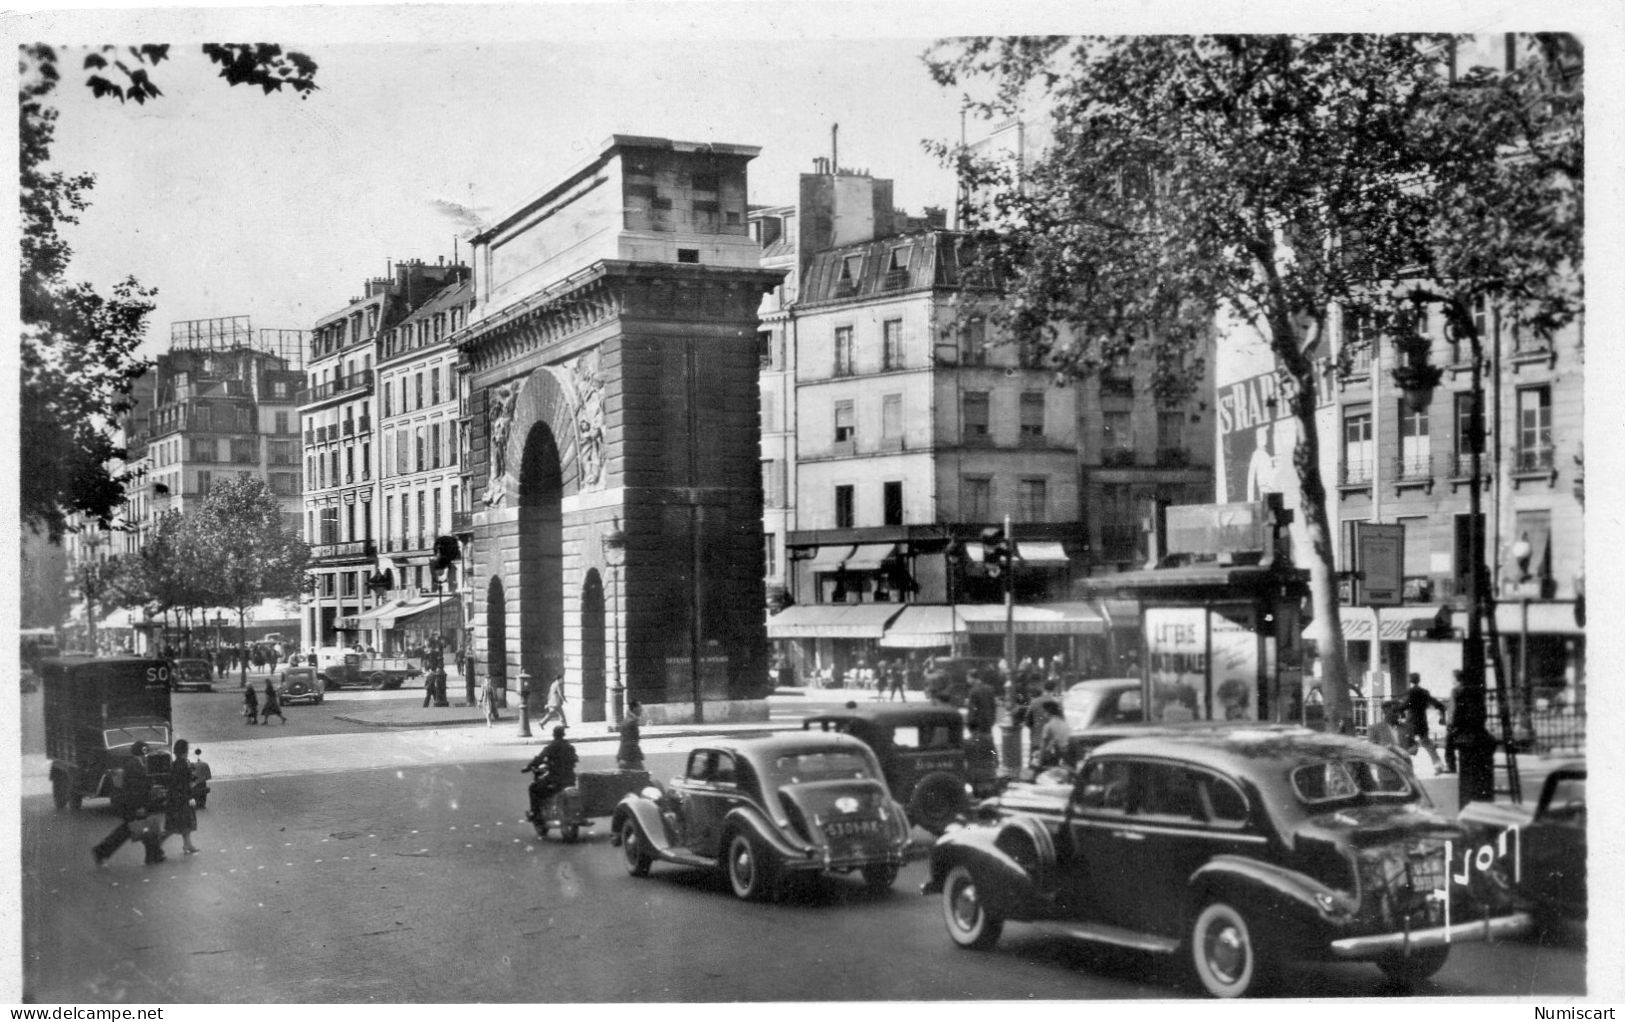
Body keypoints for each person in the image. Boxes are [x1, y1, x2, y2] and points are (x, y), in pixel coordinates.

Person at [92, 742, 166, 866]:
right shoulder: (134, 766)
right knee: (130, 830)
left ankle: (154, 855)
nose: (146, 755)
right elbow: (135, 789)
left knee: (140, 828)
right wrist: (139, 806)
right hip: (133, 805)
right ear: (140, 753)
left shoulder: (136, 764)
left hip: (133, 804)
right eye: (145, 752)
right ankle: (101, 851)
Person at [523, 726, 579, 822]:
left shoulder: (550, 747)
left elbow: (538, 759)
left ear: (554, 735)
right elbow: (575, 759)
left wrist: (528, 767)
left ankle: (535, 813)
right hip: (570, 778)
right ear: (563, 734)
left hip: (555, 778)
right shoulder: (570, 747)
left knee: (533, 788)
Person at [160, 738, 200, 855]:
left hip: (174, 798)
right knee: (175, 826)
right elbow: (185, 784)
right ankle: (157, 844)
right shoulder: (183, 764)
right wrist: (190, 797)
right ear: (184, 751)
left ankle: (187, 845)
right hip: (181, 799)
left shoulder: (176, 763)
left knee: (184, 823)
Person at [1402, 673, 1447, 772]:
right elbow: (1437, 703)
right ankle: (1438, 765)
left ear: (1410, 680)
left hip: (1411, 722)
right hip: (1422, 721)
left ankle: (1405, 767)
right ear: (1419, 680)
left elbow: (1405, 705)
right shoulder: (1424, 692)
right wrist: (1442, 710)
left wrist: (1398, 709)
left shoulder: (1410, 692)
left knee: (1406, 743)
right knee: (1427, 744)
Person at [1034, 699, 1074, 770]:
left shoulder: (1048, 726)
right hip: (1070, 753)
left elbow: (1043, 746)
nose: (1043, 714)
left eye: (1044, 712)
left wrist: (1039, 764)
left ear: (1047, 712)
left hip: (1063, 755)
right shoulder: (1063, 722)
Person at [1444, 671, 1465, 774]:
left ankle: (1451, 766)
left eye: (1452, 678)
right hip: (1466, 722)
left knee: (1449, 743)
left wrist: (1450, 723)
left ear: (1456, 678)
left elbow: (1453, 709)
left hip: (1456, 723)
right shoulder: (1467, 690)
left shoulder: (1455, 691)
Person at [965, 671, 998, 737]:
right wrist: (992, 720)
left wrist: (969, 724)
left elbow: (972, 710)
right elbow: (993, 706)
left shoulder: (973, 691)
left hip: (977, 724)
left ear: (973, 678)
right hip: (988, 722)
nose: (967, 680)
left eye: (968, 678)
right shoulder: (989, 689)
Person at [617, 700, 645, 771]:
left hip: (626, 757)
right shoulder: (631, 722)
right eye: (640, 707)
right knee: (642, 777)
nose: (642, 709)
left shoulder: (629, 720)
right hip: (630, 758)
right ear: (634, 708)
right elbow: (629, 741)